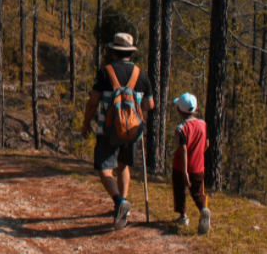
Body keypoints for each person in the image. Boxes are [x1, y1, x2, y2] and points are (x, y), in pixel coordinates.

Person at [81, 32, 154, 231]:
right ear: (130, 54)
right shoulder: (141, 74)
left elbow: (93, 103)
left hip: (108, 129)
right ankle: (123, 207)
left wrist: (86, 123)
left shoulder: (105, 73)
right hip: (132, 131)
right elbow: (149, 105)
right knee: (123, 167)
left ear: (114, 52)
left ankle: (119, 201)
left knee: (104, 169)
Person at [171, 92, 211, 234]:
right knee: (198, 192)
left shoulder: (181, 128)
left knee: (180, 189)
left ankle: (183, 216)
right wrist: (199, 153)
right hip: (199, 166)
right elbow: (206, 144)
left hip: (181, 167)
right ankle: (203, 209)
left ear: (179, 110)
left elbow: (183, 149)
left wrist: (185, 172)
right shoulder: (203, 124)